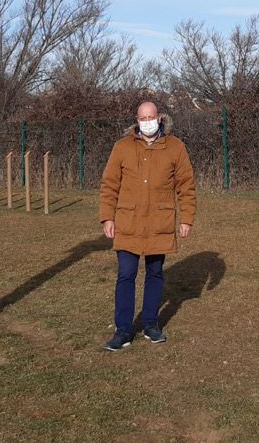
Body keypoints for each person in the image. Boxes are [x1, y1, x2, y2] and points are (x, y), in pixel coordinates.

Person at [98, 101, 196, 351]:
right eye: (143, 117)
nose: (148, 121)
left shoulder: (175, 147)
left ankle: (151, 323)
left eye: (151, 116)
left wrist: (186, 218)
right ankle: (123, 330)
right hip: (127, 222)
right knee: (126, 274)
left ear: (159, 118)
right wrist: (107, 217)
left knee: (154, 273)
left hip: (158, 222)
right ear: (137, 119)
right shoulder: (122, 147)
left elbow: (186, 186)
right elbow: (109, 185)